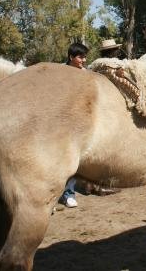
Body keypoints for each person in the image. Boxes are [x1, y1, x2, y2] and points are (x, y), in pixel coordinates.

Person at [60, 42, 89, 208]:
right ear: (71, 57)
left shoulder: (85, 74)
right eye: (80, 57)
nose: (83, 60)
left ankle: (68, 193)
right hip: (62, 121)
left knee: (74, 160)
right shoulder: (60, 72)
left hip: (78, 122)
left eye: (84, 57)